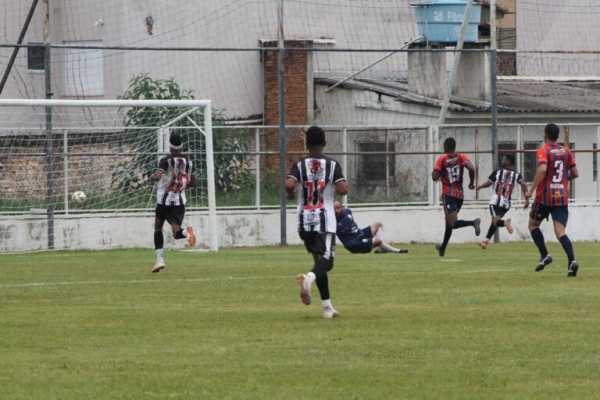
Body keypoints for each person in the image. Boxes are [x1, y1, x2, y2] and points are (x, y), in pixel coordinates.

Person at [286, 126, 349, 319]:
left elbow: (289, 184)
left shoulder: (299, 164)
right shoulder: (331, 164)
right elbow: (344, 189)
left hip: (304, 219)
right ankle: (308, 278)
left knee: (319, 262)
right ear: (324, 144)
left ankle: (327, 308)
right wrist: (332, 190)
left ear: (306, 143)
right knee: (327, 262)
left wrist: (291, 194)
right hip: (324, 219)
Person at [525, 123, 579, 277]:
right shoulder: (566, 151)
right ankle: (572, 261)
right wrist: (563, 179)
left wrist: (531, 189)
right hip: (561, 196)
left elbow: (542, 169)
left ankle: (545, 255)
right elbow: (575, 173)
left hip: (544, 196)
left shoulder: (544, 151)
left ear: (545, 135)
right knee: (560, 232)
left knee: (533, 225)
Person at [151, 134, 197, 273]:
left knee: (158, 227)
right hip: (179, 202)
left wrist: (153, 176)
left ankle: (159, 261)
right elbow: (194, 183)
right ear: (181, 145)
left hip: (164, 201)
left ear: (170, 146)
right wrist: (180, 183)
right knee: (176, 232)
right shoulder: (189, 161)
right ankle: (186, 233)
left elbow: (158, 177)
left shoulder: (166, 160)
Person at [432, 137, 481, 257]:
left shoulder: (442, 159)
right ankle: (442, 249)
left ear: (447, 147)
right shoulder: (462, 157)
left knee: (452, 223)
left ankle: (473, 222)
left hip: (448, 195)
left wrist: (437, 174)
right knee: (448, 223)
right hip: (460, 195)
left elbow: (434, 176)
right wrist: (471, 182)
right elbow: (472, 168)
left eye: (444, 146)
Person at [476, 154, 529, 249]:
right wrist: (527, 199)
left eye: (504, 159)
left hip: (496, 201)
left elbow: (489, 183)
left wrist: (479, 187)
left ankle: (505, 223)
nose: (502, 160)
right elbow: (524, 184)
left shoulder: (498, 172)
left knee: (495, 221)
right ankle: (485, 242)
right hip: (506, 204)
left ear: (508, 162)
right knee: (495, 221)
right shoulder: (516, 174)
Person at [333, 201, 408, 254]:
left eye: (338, 208)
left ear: (342, 208)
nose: (336, 210)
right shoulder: (333, 222)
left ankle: (381, 249)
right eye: (334, 208)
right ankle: (397, 251)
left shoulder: (347, 211)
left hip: (360, 234)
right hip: (354, 244)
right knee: (377, 241)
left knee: (378, 224)